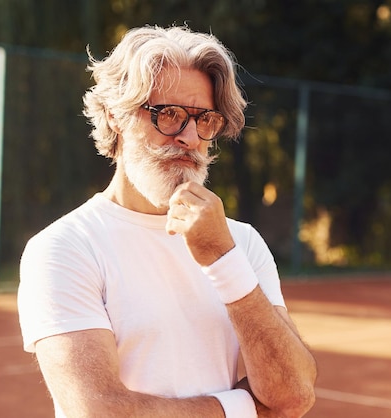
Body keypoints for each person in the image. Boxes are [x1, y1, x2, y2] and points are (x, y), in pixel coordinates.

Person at [17, 24, 317, 418]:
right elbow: (99, 411)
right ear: (116, 116)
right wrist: (243, 409)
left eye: (205, 119)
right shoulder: (63, 248)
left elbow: (294, 394)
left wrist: (222, 259)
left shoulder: (240, 243)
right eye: (169, 115)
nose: (190, 137)